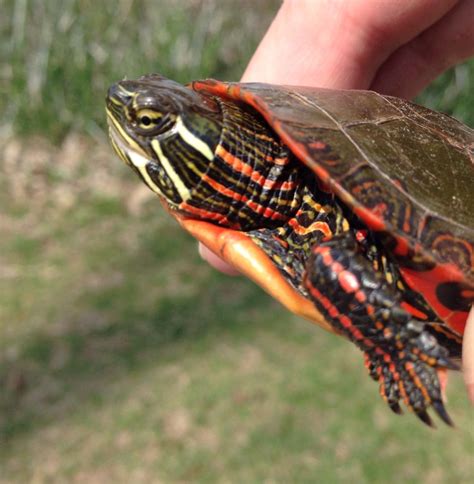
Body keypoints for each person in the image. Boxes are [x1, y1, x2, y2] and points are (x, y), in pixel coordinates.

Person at [199, 0, 474, 404]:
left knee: (329, 261)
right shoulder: (279, 207)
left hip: (439, 235)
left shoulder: (312, 223)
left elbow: (335, 260)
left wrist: (390, 347)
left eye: (152, 122)